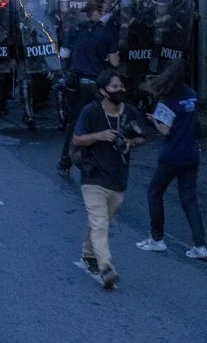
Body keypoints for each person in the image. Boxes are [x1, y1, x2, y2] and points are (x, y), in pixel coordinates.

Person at [71, 68, 145, 289]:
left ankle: (88, 252)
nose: (119, 90)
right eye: (114, 87)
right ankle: (106, 267)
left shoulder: (130, 112)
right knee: (100, 221)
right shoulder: (91, 112)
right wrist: (99, 136)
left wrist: (131, 143)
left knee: (100, 220)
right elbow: (77, 138)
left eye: (121, 86)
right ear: (103, 91)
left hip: (118, 179)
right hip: (93, 177)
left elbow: (142, 138)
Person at [135, 60, 207, 259]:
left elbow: (165, 130)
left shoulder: (166, 101)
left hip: (171, 155)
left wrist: (154, 121)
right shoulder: (192, 96)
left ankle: (157, 239)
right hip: (191, 154)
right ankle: (200, 245)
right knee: (189, 198)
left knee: (154, 192)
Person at [58, 0, 120, 176]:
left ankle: (65, 161)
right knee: (99, 124)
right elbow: (114, 62)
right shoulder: (107, 32)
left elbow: (63, 54)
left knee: (72, 123)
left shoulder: (75, 28)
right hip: (96, 85)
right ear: (100, 11)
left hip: (75, 84)